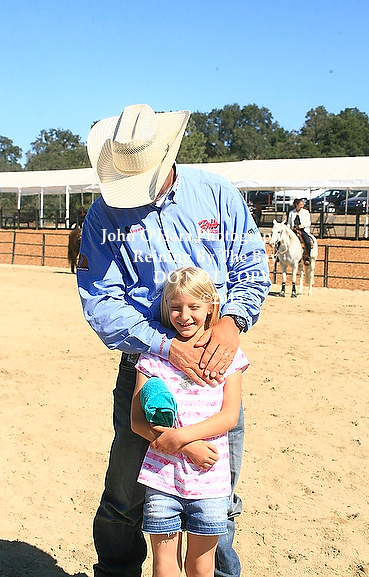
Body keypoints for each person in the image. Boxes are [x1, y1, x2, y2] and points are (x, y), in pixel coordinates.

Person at [76, 103, 270, 577]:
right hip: (148, 365)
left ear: (165, 155)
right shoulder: (104, 216)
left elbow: (251, 267)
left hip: (214, 363)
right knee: (126, 493)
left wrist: (232, 322)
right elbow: (101, 301)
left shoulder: (217, 196)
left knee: (216, 491)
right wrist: (165, 346)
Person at [131, 267, 249, 577]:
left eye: (194, 306)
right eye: (175, 307)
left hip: (209, 481)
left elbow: (229, 415)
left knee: (200, 566)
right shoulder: (153, 358)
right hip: (162, 478)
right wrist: (187, 446)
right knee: (164, 566)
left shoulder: (227, 356)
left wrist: (181, 438)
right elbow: (137, 421)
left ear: (211, 307)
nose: (184, 316)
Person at [287, 198, 312, 264]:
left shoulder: (305, 212)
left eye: (302, 204)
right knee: (283, 239)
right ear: (296, 204)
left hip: (303, 230)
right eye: (300, 205)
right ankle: (279, 255)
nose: (302, 206)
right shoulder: (291, 212)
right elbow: (289, 223)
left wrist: (303, 226)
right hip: (293, 230)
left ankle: (307, 256)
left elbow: (308, 223)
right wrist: (288, 227)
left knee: (307, 242)